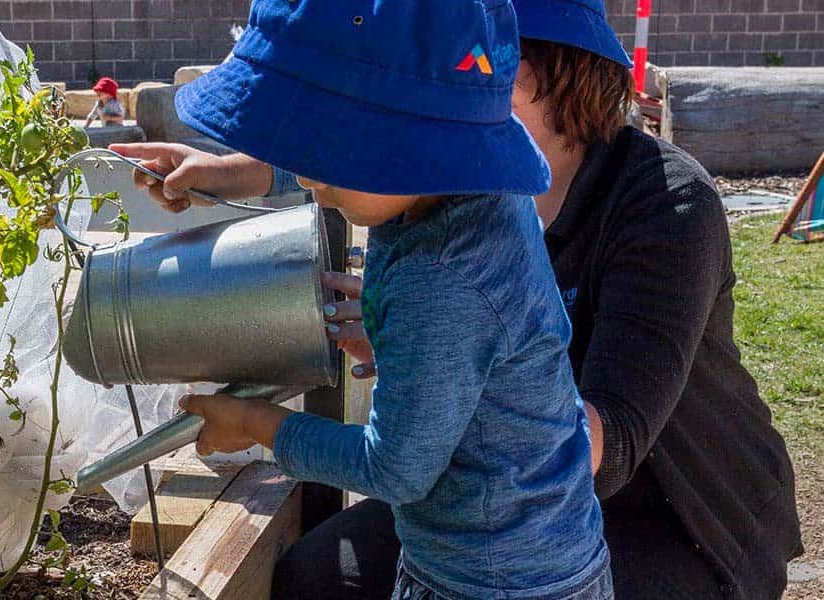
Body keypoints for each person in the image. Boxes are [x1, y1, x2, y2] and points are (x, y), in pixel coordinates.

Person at [114, 0, 804, 598]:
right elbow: (374, 143)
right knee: (319, 573)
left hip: (671, 517)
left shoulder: (664, 204)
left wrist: (428, 351)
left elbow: (610, 440)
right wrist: (234, 172)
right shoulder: (470, 180)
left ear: (519, 70)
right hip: (493, 497)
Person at [132, 1, 614, 599]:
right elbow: (354, 167)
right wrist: (225, 171)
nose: (310, 181)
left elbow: (395, 469)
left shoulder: (439, 280)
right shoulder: (466, 172)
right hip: (523, 545)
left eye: (327, 165)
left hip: (490, 582)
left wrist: (259, 424)